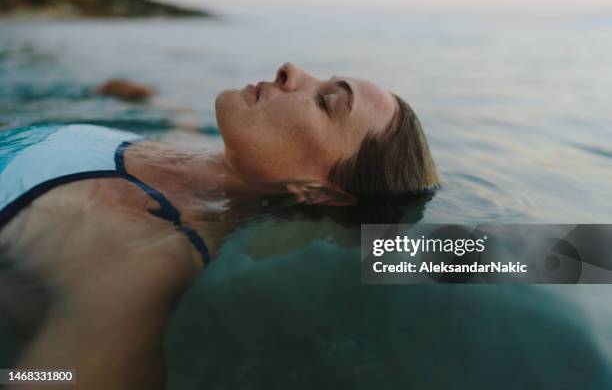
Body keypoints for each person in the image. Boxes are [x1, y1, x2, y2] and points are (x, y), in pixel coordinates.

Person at [0, 62, 440, 389]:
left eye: (326, 101)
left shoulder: (142, 254)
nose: (291, 70)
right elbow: (181, 127)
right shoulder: (189, 152)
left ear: (318, 191)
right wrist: (149, 100)